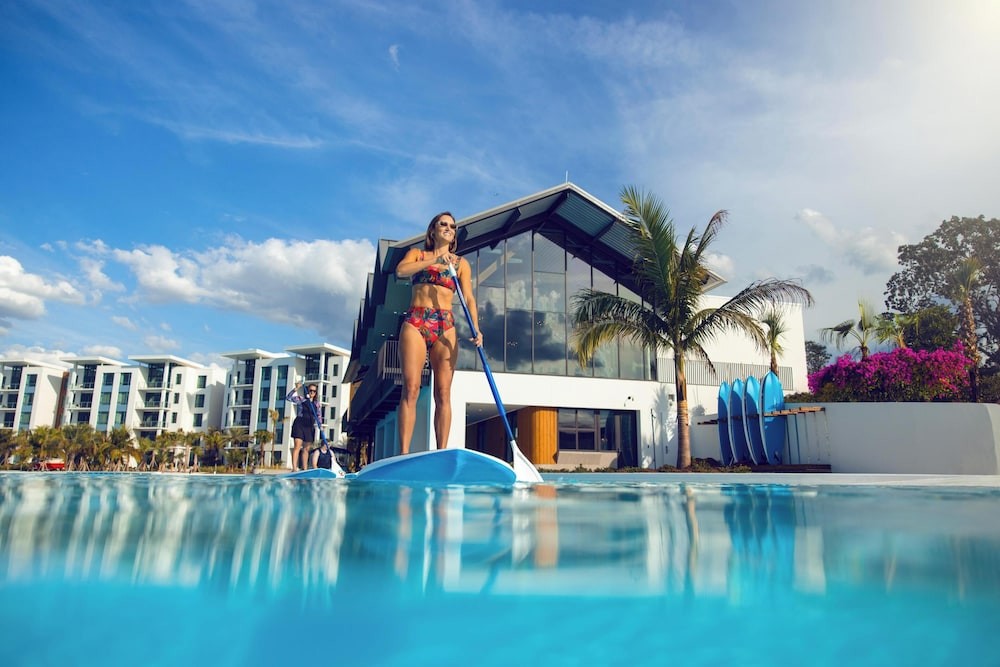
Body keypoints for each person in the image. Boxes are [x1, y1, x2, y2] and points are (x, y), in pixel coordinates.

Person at [394, 211, 482, 455]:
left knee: (443, 393)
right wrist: (436, 258)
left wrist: (476, 328)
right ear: (432, 230)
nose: (448, 228)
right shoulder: (417, 254)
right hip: (417, 320)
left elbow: (469, 298)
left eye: (452, 226)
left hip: (445, 325)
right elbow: (401, 271)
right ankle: (403, 454)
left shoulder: (460, 264)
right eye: (443, 224)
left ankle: (441, 452)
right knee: (411, 388)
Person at [285, 381, 321, 470]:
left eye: (314, 391)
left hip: (309, 426)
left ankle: (305, 469)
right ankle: (294, 468)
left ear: (316, 393)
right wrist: (296, 388)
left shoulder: (317, 404)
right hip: (299, 424)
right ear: (307, 391)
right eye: (310, 390)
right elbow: (288, 398)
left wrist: (320, 426)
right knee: (297, 446)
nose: (312, 392)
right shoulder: (301, 399)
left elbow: (319, 416)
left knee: (306, 449)